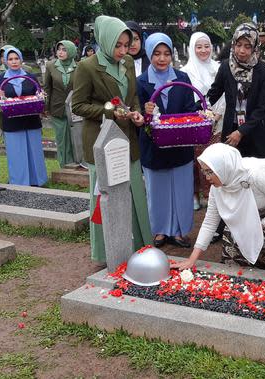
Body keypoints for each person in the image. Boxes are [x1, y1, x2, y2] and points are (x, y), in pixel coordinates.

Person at [72, 15, 152, 263]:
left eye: (126, 45)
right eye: (117, 45)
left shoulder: (127, 62)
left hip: (128, 138)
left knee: (134, 191)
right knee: (104, 195)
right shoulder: (87, 67)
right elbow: (79, 106)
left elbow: (132, 97)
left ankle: (140, 245)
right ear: (105, 41)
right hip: (101, 140)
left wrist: (136, 113)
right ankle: (106, 251)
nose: (123, 50)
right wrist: (110, 110)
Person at [171, 143, 265, 272]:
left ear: (222, 167)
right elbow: (210, 222)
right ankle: (237, 275)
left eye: (210, 172)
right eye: (204, 172)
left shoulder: (257, 174)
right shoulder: (217, 187)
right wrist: (192, 259)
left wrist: (263, 224)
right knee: (232, 236)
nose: (207, 178)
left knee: (260, 241)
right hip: (259, 206)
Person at [138, 33, 196, 249]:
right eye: (157, 54)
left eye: (166, 54)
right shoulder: (141, 82)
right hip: (154, 145)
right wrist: (145, 111)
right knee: (157, 188)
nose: (162, 59)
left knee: (181, 188)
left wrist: (192, 119)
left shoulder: (182, 79)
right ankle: (160, 230)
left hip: (180, 142)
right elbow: (138, 116)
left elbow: (190, 108)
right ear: (149, 54)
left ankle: (180, 230)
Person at [207, 23, 265, 160]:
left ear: (255, 47)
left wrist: (241, 131)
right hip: (231, 131)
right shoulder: (226, 67)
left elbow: (262, 108)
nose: (242, 51)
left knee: (256, 175)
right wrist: (196, 107)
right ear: (233, 44)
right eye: (238, 45)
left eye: (247, 46)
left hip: (257, 133)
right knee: (232, 173)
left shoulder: (264, 71)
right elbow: (213, 94)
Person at [182, 31, 226, 210]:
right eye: (198, 47)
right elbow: (184, 96)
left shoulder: (218, 69)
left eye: (206, 46)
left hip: (216, 121)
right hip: (194, 122)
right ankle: (194, 194)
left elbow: (224, 94)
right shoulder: (185, 72)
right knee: (194, 160)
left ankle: (211, 194)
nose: (203, 50)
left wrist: (217, 115)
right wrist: (198, 115)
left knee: (213, 159)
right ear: (192, 48)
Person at [0, 47, 48, 186]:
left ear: (21, 59)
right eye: (10, 59)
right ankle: (19, 181)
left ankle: (38, 180)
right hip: (12, 122)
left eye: (16, 58)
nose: (14, 62)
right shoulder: (0, 79)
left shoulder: (30, 77)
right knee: (16, 153)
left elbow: (38, 94)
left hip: (31, 120)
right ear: (5, 61)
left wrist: (41, 96)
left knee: (34, 151)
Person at [44, 40, 77, 168]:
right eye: (59, 49)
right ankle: (64, 163)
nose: (61, 52)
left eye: (64, 49)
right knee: (61, 137)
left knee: (75, 135)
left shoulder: (79, 67)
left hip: (74, 108)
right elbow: (47, 88)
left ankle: (77, 161)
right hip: (56, 107)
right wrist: (45, 107)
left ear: (71, 51)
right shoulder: (50, 65)